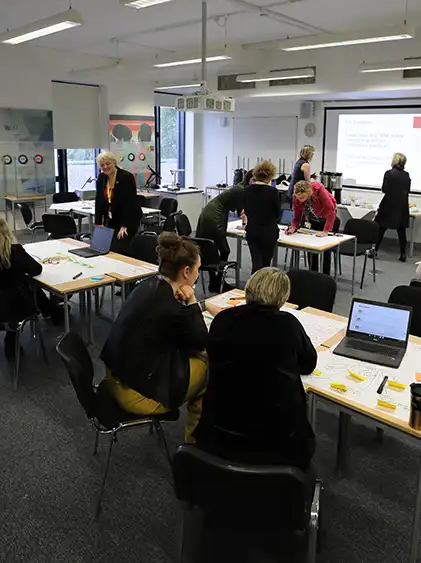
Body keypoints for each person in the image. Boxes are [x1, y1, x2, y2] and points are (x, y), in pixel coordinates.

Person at [195, 267, 318, 469]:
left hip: (220, 430)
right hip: (277, 441)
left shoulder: (223, 319)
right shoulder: (288, 325)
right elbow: (308, 364)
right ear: (283, 297)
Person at [100, 233, 208, 442]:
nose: (198, 274)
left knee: (187, 354)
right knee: (207, 369)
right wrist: (193, 301)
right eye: (197, 269)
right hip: (134, 394)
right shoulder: (171, 308)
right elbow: (201, 341)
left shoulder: (146, 286)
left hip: (115, 376)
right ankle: (194, 443)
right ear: (186, 272)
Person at [0, 215, 62, 359]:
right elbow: (36, 270)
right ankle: (52, 310)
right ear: (6, 231)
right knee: (27, 283)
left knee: (21, 283)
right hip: (15, 308)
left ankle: (50, 309)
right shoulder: (15, 251)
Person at [195, 184, 246, 293]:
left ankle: (215, 281)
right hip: (214, 217)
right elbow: (241, 212)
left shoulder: (238, 188)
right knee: (224, 250)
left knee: (207, 247)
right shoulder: (241, 190)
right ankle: (217, 281)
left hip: (208, 213)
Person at [94, 151, 143, 256]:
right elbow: (99, 200)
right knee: (110, 247)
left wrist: (125, 225)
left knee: (122, 247)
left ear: (114, 162)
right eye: (102, 165)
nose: (105, 167)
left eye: (108, 163)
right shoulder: (101, 178)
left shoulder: (126, 177)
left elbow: (130, 202)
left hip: (129, 218)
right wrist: (98, 223)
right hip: (112, 218)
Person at [287, 179, 338, 274]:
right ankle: (313, 273)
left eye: (302, 197)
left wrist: (326, 231)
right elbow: (297, 214)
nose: (300, 199)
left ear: (309, 192)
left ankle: (325, 275)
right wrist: (293, 227)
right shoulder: (296, 196)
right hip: (313, 218)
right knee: (311, 246)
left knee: (326, 247)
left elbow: (331, 210)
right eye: (298, 197)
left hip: (327, 218)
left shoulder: (319, 189)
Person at [242, 160, 282, 274]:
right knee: (265, 264)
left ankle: (254, 282)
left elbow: (246, 210)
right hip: (268, 232)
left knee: (256, 262)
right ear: (270, 175)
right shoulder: (273, 192)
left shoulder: (247, 190)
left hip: (252, 230)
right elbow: (277, 214)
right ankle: (262, 283)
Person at [375, 152, 412, 262]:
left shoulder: (389, 173)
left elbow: (384, 189)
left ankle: (375, 250)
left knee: (381, 229)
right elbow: (408, 190)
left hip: (389, 205)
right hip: (402, 206)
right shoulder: (406, 175)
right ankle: (403, 254)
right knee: (401, 232)